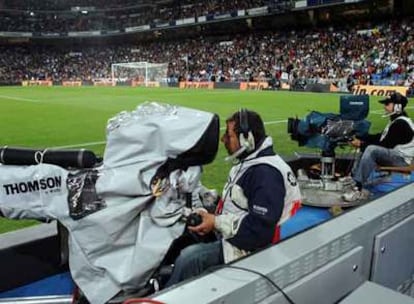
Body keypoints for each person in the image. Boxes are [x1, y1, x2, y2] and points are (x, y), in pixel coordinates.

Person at [164, 109, 302, 287]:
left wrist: (215, 222)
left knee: (189, 259)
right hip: (238, 236)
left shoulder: (265, 174)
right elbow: (239, 206)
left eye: (228, 136)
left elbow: (259, 231)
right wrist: (210, 212)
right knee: (180, 238)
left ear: (247, 139)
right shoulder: (252, 161)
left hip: (251, 249)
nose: (223, 140)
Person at [343, 92, 414, 202]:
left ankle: (357, 188)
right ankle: (354, 179)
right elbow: (379, 137)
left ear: (398, 106)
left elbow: (384, 145)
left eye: (387, 104)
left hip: (403, 160)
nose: (384, 107)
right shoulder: (397, 121)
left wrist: (361, 144)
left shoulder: (400, 124)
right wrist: (360, 137)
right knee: (367, 147)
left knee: (371, 149)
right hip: (397, 156)